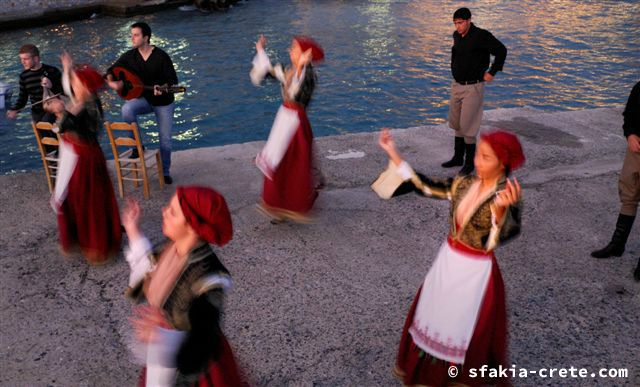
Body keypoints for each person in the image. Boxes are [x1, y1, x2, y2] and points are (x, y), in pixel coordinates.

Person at [376, 128, 524, 386]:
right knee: (435, 317)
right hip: (448, 263)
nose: (477, 161)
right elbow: (425, 185)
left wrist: (499, 213)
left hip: (475, 273)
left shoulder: (508, 196)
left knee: (461, 326)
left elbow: (502, 236)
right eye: (478, 153)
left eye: (486, 157)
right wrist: (392, 151)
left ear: (503, 164)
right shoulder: (464, 183)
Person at [122, 186, 244, 386]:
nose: (163, 212)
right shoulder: (172, 248)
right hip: (162, 354)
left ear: (192, 226)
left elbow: (202, 340)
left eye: (172, 212)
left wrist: (162, 336)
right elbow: (149, 272)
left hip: (190, 364)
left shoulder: (211, 278)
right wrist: (133, 231)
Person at [44, 52, 122, 264]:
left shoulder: (83, 107)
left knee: (87, 200)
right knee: (76, 198)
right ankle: (81, 238)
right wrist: (68, 69)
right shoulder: (84, 97)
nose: (72, 85)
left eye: (76, 82)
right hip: (78, 155)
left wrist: (60, 112)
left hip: (83, 160)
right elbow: (68, 89)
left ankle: (96, 245)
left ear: (85, 87)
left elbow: (58, 128)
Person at [250, 35, 324, 223]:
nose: (289, 50)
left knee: (291, 165)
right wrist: (260, 50)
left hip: (295, 125)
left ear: (304, 55)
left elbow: (297, 93)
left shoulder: (308, 75)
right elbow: (268, 70)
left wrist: (300, 66)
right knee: (279, 164)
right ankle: (279, 205)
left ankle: (290, 205)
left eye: (294, 48)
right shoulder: (290, 69)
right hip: (285, 121)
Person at [106, 22, 178, 184]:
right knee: (127, 109)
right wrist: (113, 83)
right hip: (144, 99)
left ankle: (165, 171)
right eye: (131, 35)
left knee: (165, 139)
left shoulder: (161, 56)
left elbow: (172, 80)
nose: (132, 38)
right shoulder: (129, 56)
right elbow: (110, 71)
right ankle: (137, 147)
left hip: (164, 101)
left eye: (136, 35)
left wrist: (163, 87)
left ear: (146, 38)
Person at [441, 7, 507, 176]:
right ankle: (458, 157)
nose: (458, 27)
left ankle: (469, 164)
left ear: (469, 20)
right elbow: (455, 54)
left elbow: (501, 50)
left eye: (460, 23)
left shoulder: (481, 36)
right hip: (457, 85)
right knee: (456, 123)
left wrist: (492, 72)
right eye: (455, 23)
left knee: (468, 126)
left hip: (473, 87)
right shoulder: (456, 36)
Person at [591, 81, 640, 281]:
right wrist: (630, 135)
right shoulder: (639, 88)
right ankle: (617, 244)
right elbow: (628, 115)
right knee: (628, 194)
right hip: (637, 150)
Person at [6, 44, 63, 123]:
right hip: (37, 113)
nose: (22, 62)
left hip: (54, 111)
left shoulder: (52, 71)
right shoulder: (24, 76)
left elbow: (64, 93)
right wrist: (14, 109)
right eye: (21, 59)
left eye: (26, 59)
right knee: (41, 129)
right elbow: (23, 98)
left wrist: (51, 86)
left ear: (36, 59)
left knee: (47, 122)